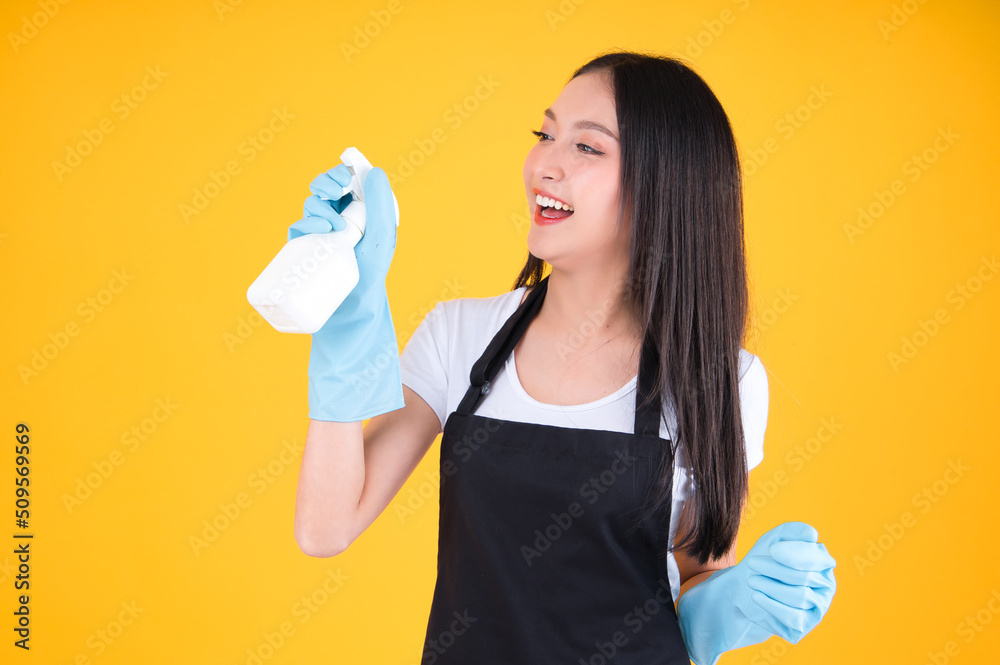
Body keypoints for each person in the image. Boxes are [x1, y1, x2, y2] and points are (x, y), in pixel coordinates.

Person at [291, 50, 836, 665]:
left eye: (587, 147)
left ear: (667, 184)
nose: (545, 163)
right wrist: (345, 317)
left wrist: (735, 603)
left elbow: (697, 577)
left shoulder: (719, 382)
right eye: (545, 134)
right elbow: (325, 527)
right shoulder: (460, 337)